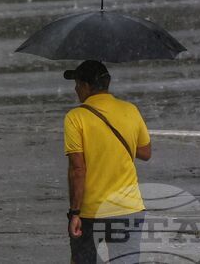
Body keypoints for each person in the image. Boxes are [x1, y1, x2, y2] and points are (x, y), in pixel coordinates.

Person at [63, 60, 151, 264]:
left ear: (86, 86)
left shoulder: (76, 117)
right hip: (128, 208)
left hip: (91, 212)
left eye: (77, 84)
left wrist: (74, 213)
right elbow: (145, 152)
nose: (76, 89)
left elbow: (78, 169)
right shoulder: (130, 110)